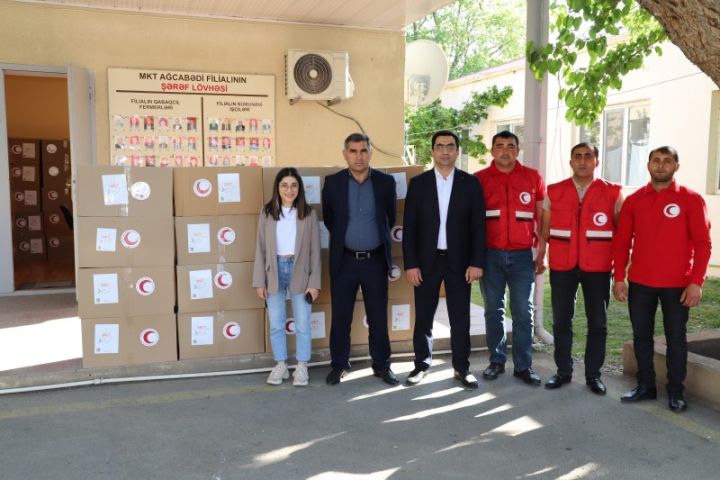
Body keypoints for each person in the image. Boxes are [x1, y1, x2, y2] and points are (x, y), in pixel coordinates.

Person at [613, 146, 711, 412]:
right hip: (641, 282)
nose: (661, 165)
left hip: (677, 284)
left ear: (676, 166)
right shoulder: (634, 201)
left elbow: (703, 244)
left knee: (676, 338)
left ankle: (676, 392)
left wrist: (696, 282)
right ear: (648, 165)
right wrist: (619, 277)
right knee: (641, 336)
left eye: (667, 161)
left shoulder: (691, 199)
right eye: (656, 160)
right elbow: (622, 242)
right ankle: (645, 386)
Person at [402, 130, 486, 388]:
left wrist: (476, 262)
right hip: (426, 262)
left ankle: (461, 367)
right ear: (432, 151)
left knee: (460, 318)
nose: (445, 151)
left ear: (457, 151)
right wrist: (411, 264)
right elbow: (410, 227)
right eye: (440, 146)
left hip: (460, 263)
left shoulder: (470, 183)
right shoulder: (419, 184)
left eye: (450, 146)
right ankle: (421, 364)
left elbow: (479, 227)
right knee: (424, 317)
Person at [541, 143, 623, 395]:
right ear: (571, 161)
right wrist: (543, 256)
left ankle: (593, 375)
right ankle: (563, 371)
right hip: (562, 266)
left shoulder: (612, 193)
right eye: (577, 156)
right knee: (561, 321)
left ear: (596, 162)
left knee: (597, 322)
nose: (582, 161)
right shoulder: (554, 191)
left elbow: (620, 233)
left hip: (598, 268)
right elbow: (545, 230)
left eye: (588, 156)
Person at [321, 133, 399, 386]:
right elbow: (331, 220)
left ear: (370, 153)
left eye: (363, 150)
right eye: (353, 151)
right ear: (345, 154)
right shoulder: (333, 183)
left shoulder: (385, 183)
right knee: (341, 316)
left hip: (375, 261)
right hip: (344, 261)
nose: (359, 156)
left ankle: (382, 365)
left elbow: (389, 218)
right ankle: (339, 364)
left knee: (378, 317)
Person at [475, 131, 547, 386]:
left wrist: (542, 251)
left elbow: (542, 216)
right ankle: (496, 361)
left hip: (522, 256)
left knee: (523, 312)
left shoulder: (532, 177)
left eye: (510, 146)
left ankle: (523, 365)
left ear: (518, 150)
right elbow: (471, 221)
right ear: (492, 150)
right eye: (500, 146)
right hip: (489, 255)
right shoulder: (479, 179)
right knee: (493, 310)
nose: (505, 151)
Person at [253, 168, 321, 387]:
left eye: (293, 185)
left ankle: (301, 366)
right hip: (274, 270)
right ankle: (281, 364)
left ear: (299, 188)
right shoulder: (267, 212)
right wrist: (259, 281)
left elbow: (315, 251)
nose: (289, 190)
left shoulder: (308, 214)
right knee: (276, 322)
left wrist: (314, 283)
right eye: (284, 185)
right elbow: (260, 248)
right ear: (277, 187)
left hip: (300, 271)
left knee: (302, 322)